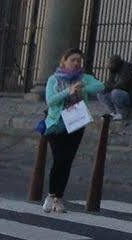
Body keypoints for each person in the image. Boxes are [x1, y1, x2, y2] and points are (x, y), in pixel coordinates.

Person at [40, 50, 106, 214]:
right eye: (73, 60)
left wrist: (83, 87)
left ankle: (58, 198)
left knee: (67, 160)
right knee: (59, 159)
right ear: (64, 61)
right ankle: (51, 195)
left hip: (76, 122)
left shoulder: (83, 78)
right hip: (56, 123)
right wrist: (67, 91)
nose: (76, 63)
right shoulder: (54, 79)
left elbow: (100, 86)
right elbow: (50, 100)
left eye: (79, 60)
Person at [102, 54, 132, 120]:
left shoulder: (126, 69)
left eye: (110, 64)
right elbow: (109, 82)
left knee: (115, 92)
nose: (108, 66)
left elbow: (121, 85)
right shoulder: (114, 70)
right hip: (122, 94)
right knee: (101, 92)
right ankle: (113, 112)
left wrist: (109, 87)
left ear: (115, 63)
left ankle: (121, 113)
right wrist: (105, 87)